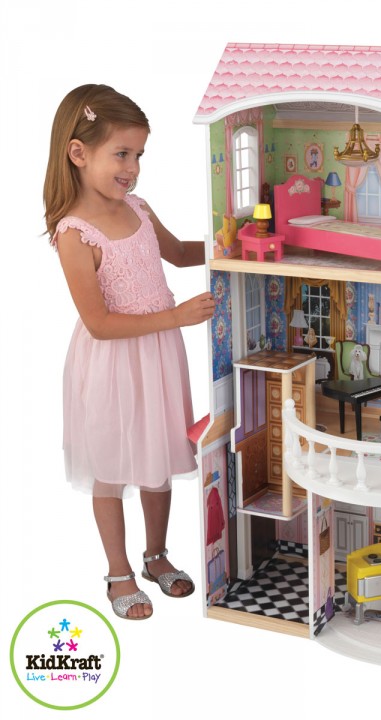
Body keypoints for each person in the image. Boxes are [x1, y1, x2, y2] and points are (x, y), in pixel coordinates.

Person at [44, 84, 215, 620]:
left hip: (159, 355)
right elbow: (98, 323)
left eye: (139, 155)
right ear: (78, 152)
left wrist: (234, 246)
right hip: (113, 362)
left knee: (158, 457)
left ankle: (156, 554)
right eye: (122, 154)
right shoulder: (74, 233)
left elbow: (180, 253)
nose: (133, 168)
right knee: (113, 464)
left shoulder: (138, 208)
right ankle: (118, 570)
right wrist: (176, 316)